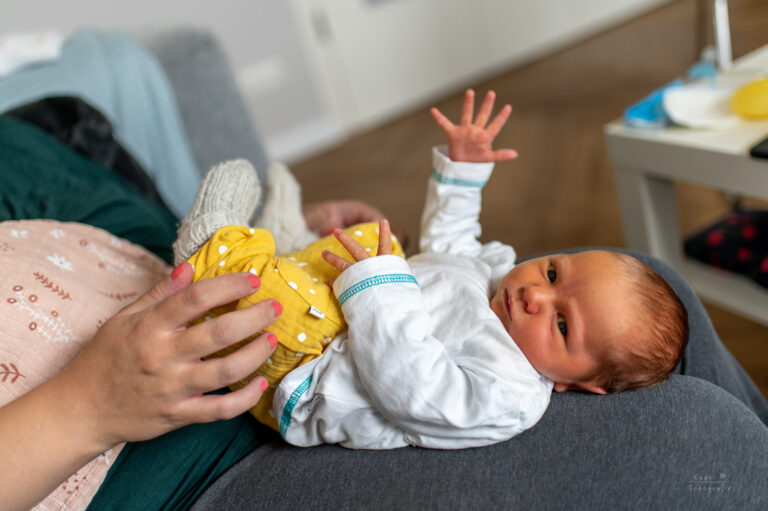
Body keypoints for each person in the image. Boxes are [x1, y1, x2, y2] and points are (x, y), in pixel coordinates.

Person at [175, 90, 688, 448]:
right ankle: (289, 242)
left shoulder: (509, 394)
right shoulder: (497, 275)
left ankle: (209, 251)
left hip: (316, 368)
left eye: (560, 325)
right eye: (554, 273)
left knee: (298, 301)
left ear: (578, 385)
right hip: (351, 310)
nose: (536, 295)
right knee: (379, 240)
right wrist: (463, 173)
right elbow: (449, 244)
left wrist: (379, 287)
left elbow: (413, 389)